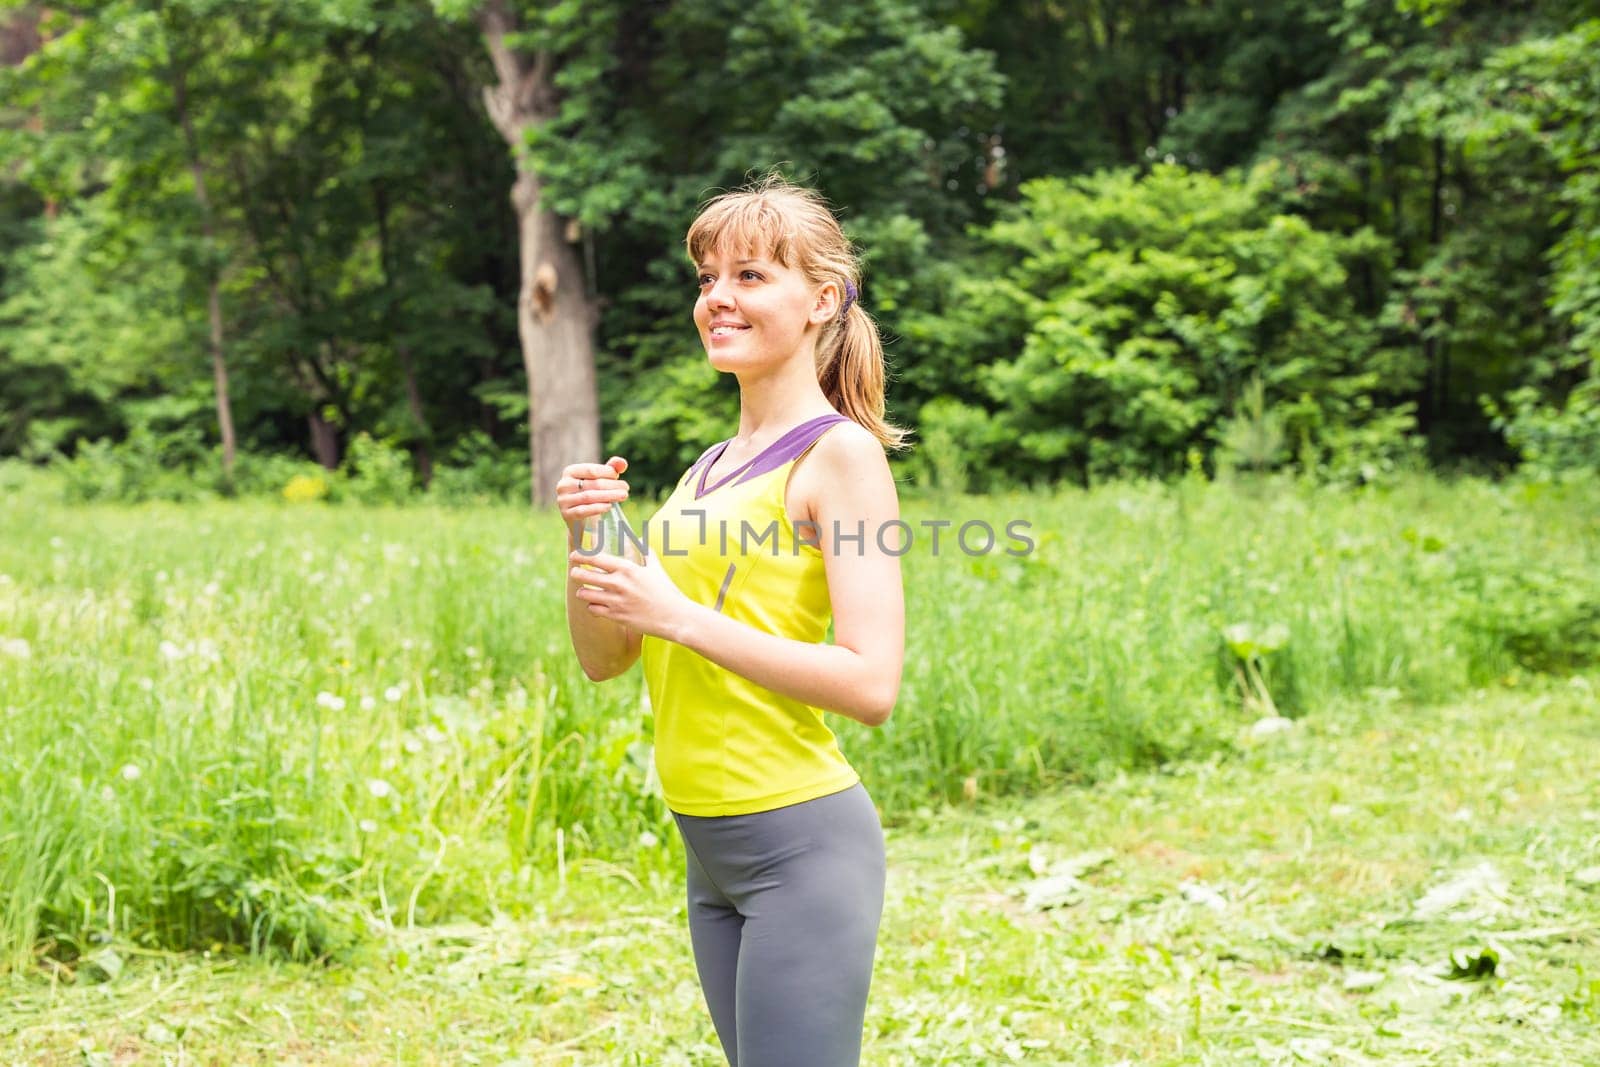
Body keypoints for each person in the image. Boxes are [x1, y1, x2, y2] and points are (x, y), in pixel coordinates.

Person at [554, 175, 906, 1067]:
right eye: (707, 278)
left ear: (822, 299)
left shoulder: (843, 456)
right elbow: (608, 657)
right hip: (706, 842)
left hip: (799, 840)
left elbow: (872, 683)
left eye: (750, 275)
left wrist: (677, 614)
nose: (717, 297)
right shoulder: (709, 466)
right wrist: (589, 544)